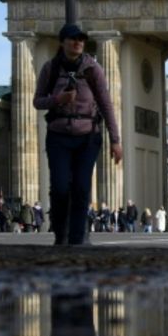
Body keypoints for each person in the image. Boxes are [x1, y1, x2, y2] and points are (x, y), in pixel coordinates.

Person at [33, 24, 120, 246]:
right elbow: (37, 101)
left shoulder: (93, 69)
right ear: (62, 42)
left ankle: (76, 239)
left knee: (82, 188)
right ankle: (60, 231)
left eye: (81, 39)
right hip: (58, 136)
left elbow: (106, 104)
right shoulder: (50, 68)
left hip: (87, 136)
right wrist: (57, 100)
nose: (78, 42)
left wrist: (115, 139)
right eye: (73, 39)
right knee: (60, 187)